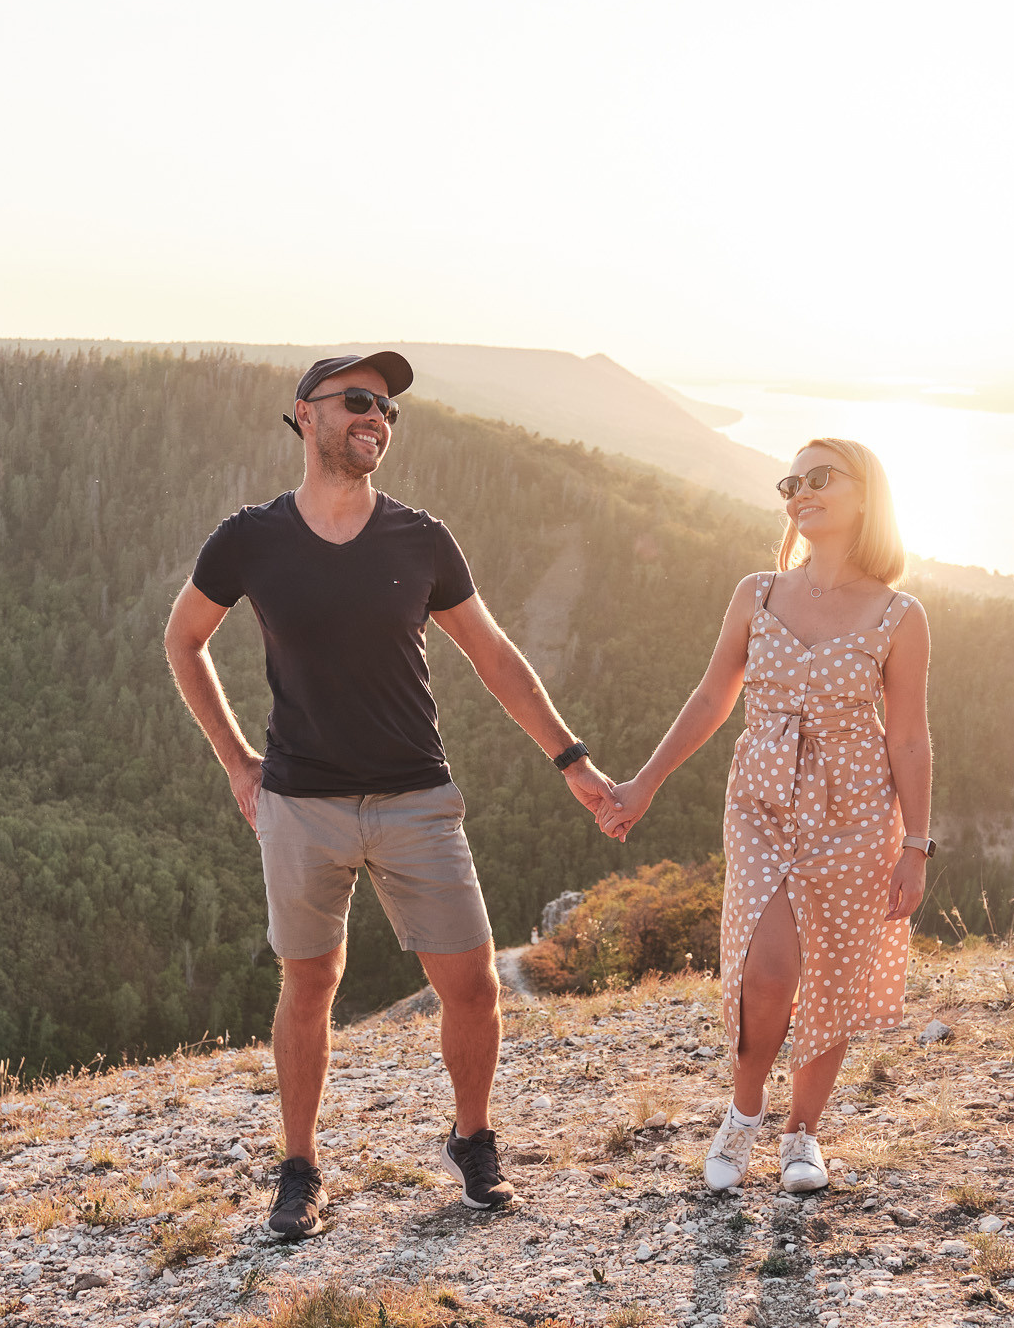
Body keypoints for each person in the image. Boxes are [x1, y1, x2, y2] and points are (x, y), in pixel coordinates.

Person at [165, 352, 619, 1240]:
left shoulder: (422, 539)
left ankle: (473, 1140)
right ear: (305, 415)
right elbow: (183, 641)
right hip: (300, 802)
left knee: (474, 987)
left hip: (418, 798)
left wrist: (574, 762)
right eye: (360, 401)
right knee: (310, 985)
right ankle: (298, 1168)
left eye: (390, 410)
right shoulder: (250, 538)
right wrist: (234, 757)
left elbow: (495, 660)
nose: (377, 417)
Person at [596, 438, 933, 1193]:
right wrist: (644, 783)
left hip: (855, 811)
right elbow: (714, 695)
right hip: (761, 803)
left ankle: (802, 1133)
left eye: (821, 478)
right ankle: (744, 1115)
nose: (801, 491)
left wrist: (916, 843)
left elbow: (909, 735)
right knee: (767, 970)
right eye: (792, 482)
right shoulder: (757, 593)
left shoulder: (899, 615)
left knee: (837, 976)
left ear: (865, 494)